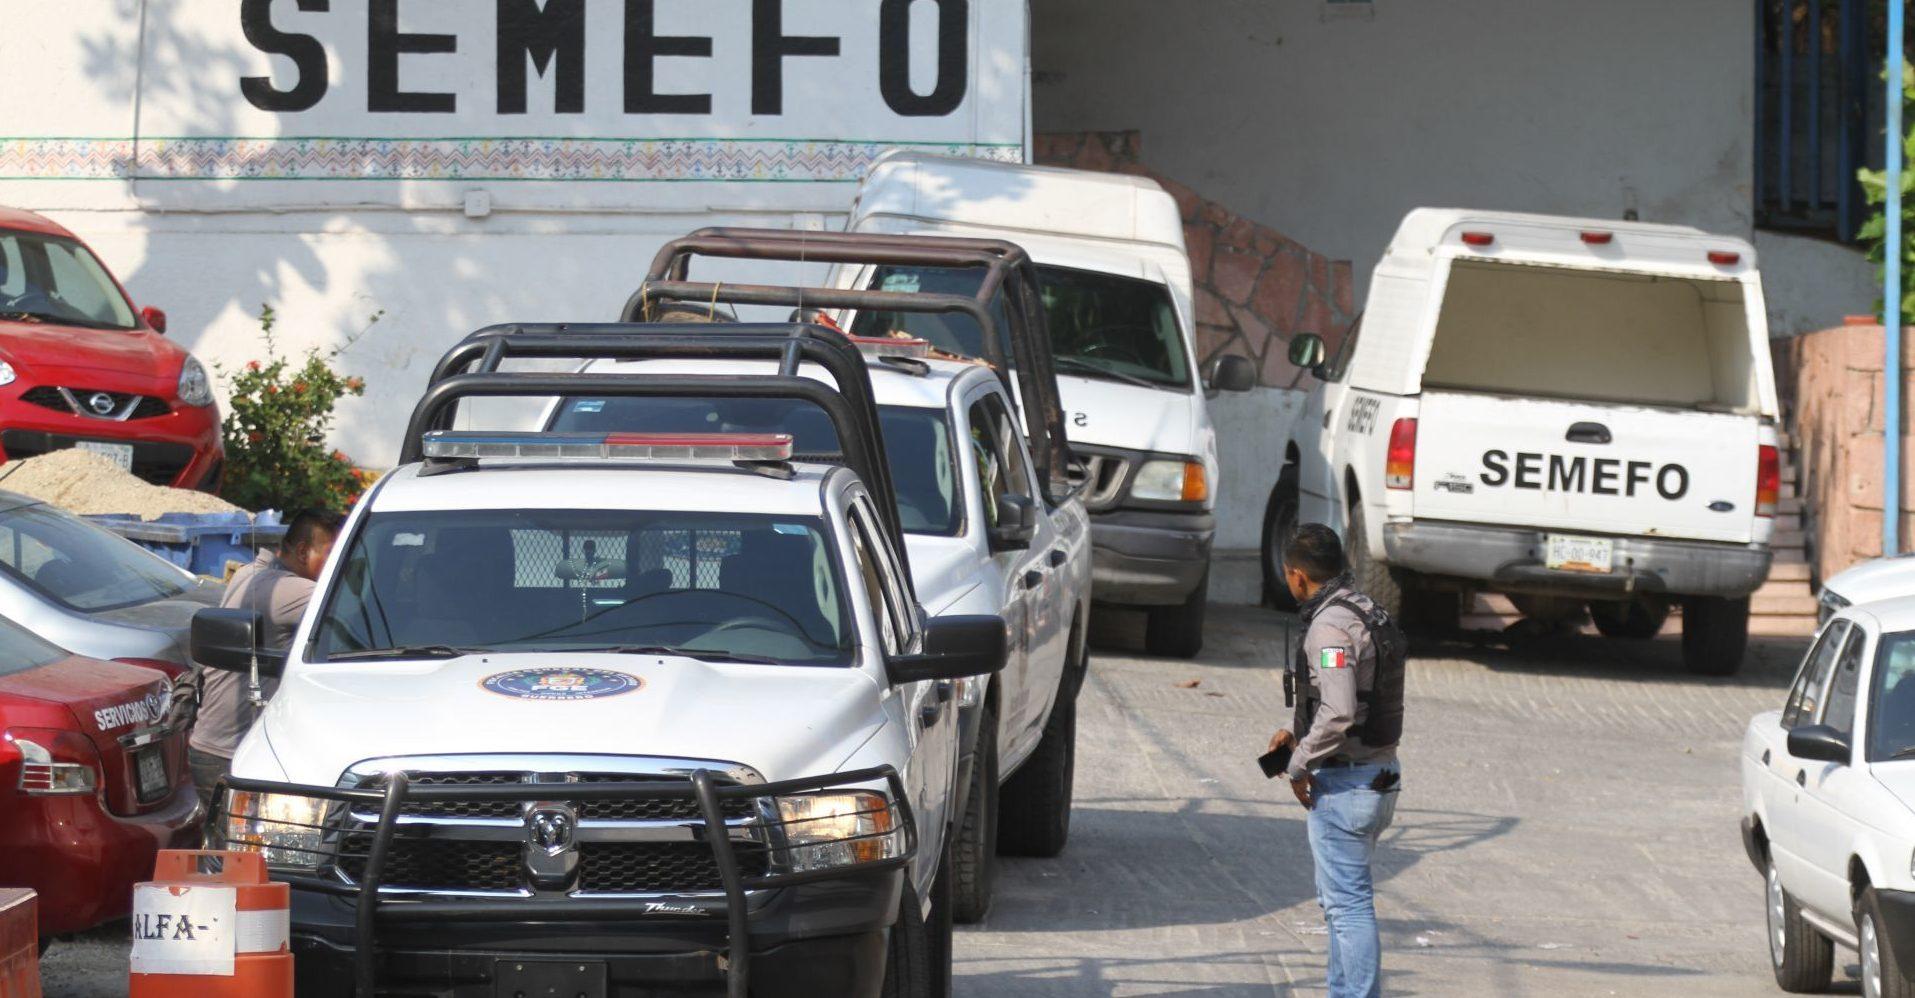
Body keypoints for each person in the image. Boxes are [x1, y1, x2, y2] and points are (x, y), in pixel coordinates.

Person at [1266, 523, 1405, 998]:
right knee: (1339, 903)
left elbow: (1340, 709)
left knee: (1348, 907)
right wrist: (1296, 731)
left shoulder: (1328, 625)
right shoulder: (1366, 608)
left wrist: (1299, 762)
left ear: (1297, 575)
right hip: (1380, 775)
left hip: (1348, 785)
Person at [187, 508, 344, 810]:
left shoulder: (250, 572)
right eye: (333, 555)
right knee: (243, 854)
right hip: (230, 754)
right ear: (302, 551)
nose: (339, 566)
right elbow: (363, 611)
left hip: (212, 747)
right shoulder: (293, 590)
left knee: (232, 851)